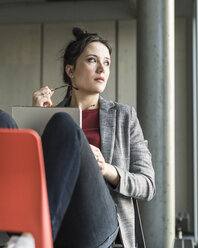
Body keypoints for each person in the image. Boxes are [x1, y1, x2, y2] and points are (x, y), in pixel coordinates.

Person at [0, 27, 155, 248]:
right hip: (48, 216)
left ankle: (36, 237)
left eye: (107, 62)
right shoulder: (52, 118)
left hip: (97, 224)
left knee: (64, 123)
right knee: (2, 122)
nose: (102, 68)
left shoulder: (124, 116)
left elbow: (148, 184)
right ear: (70, 71)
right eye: (92, 60)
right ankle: (32, 235)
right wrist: (36, 119)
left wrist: (107, 169)